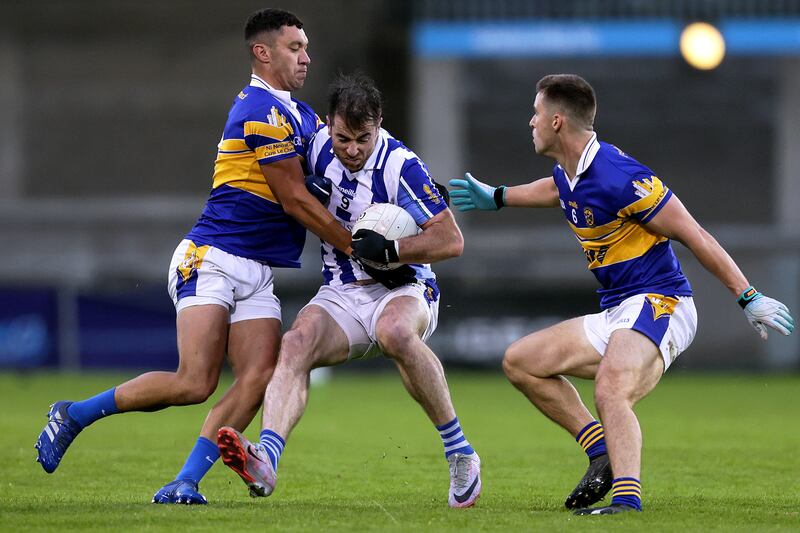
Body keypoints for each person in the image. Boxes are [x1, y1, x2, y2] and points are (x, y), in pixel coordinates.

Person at [34, 8, 356, 505]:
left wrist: (405, 193)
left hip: (256, 271)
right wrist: (357, 243)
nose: (307, 57)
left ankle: (184, 482)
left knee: (260, 376)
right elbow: (294, 199)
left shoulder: (302, 114)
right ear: (262, 52)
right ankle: (73, 414)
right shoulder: (257, 109)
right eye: (295, 48)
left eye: (306, 47)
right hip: (212, 257)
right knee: (195, 382)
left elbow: (345, 166)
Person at [449, 74, 794, 515]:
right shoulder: (570, 170)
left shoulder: (621, 175)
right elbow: (558, 189)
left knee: (612, 389)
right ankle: (600, 452)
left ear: (557, 121)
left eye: (535, 113)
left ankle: (626, 501)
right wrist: (497, 197)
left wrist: (748, 297)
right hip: (619, 309)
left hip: (662, 301)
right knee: (521, 361)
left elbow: (696, 234)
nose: (529, 121)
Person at [214, 72, 482, 509]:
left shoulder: (401, 166)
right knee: (295, 343)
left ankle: (460, 453)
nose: (353, 150)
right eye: (343, 138)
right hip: (341, 290)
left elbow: (451, 240)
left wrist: (394, 248)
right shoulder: (315, 146)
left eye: (364, 138)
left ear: (379, 124)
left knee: (396, 333)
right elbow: (281, 180)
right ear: (327, 124)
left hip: (405, 287)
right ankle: (266, 458)